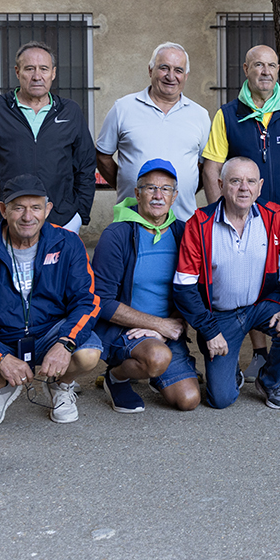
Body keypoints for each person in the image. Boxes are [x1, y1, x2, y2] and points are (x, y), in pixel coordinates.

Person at [0, 174, 102, 428]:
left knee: (88, 353)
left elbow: (87, 301)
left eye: (36, 207)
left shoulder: (67, 243)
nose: (28, 216)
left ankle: (59, 384)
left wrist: (65, 343)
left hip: (50, 333)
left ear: (47, 209)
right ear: (3, 210)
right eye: (18, 208)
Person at [201, 44, 280, 381]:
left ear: (278, 70)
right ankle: (258, 353)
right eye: (258, 65)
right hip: (244, 220)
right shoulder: (227, 114)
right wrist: (216, 215)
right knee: (251, 285)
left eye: (271, 65)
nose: (265, 72)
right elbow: (212, 169)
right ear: (245, 69)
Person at [173, 157, 280, 410]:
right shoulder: (200, 224)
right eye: (235, 181)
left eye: (250, 181)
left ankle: (270, 381)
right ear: (220, 184)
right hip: (219, 317)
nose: (243, 188)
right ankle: (231, 370)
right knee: (221, 400)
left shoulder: (274, 217)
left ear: (259, 186)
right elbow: (184, 288)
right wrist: (209, 331)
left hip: (261, 306)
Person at [91, 159, 201, 413]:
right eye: (150, 188)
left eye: (165, 189)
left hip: (166, 331)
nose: (157, 195)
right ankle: (117, 377)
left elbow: (192, 290)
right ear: (137, 193)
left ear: (175, 197)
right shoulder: (117, 235)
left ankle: (157, 371)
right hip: (126, 331)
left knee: (188, 400)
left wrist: (166, 329)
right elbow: (102, 301)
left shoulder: (183, 233)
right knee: (157, 358)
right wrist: (157, 325)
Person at [0, 41, 96, 235]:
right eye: (29, 69)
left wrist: (79, 214)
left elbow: (85, 166)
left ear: (53, 73)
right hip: (8, 221)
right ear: (17, 72)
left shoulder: (70, 111)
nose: (37, 76)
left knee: (57, 266)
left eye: (43, 69)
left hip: (61, 221)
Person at [96, 42, 211, 222]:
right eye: (163, 68)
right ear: (150, 70)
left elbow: (206, 167)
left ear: (186, 76)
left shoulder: (200, 115)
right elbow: (102, 156)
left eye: (178, 70)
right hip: (132, 219)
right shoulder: (123, 108)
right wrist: (127, 185)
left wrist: (179, 190)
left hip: (182, 221)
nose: (171, 76)